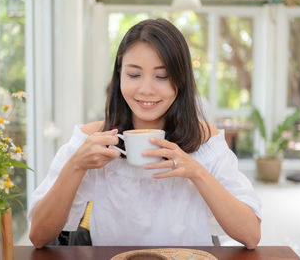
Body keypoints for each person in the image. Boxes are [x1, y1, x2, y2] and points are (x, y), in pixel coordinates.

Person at [28, 18, 261, 249]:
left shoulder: (205, 140)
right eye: (134, 75)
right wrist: (76, 165)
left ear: (181, 81)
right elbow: (38, 235)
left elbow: (251, 235)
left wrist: (196, 172)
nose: (146, 90)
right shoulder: (93, 139)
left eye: (162, 76)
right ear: (119, 76)